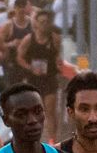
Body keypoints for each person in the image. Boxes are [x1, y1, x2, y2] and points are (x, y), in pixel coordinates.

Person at [17, 10, 63, 141]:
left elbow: (59, 56)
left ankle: (52, 141)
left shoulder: (55, 38)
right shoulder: (28, 39)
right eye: (42, 22)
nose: (44, 25)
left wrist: (59, 62)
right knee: (32, 110)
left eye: (47, 22)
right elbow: (20, 57)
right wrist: (30, 68)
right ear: (36, 23)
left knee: (50, 110)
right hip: (33, 80)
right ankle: (31, 137)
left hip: (49, 78)